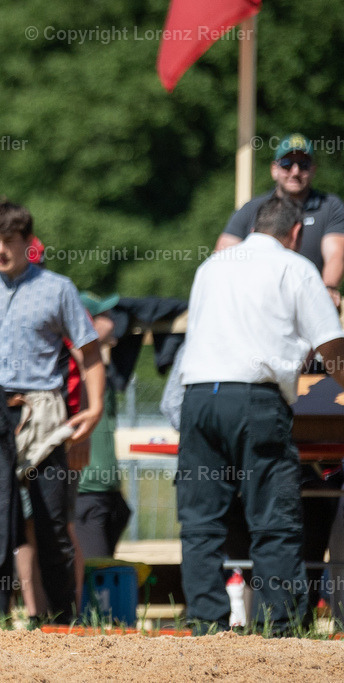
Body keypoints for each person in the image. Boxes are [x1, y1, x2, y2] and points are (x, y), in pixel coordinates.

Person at [178, 195, 344, 635]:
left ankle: (205, 624)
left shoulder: (210, 267)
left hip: (197, 397)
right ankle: (283, 628)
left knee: (201, 521)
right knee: (274, 519)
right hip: (256, 400)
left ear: (252, 227)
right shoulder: (295, 267)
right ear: (295, 234)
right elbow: (331, 347)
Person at [0, 199, 104, 625]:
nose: (2, 250)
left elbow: (88, 350)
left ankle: (64, 621)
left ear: (28, 242)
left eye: (10, 241)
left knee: (52, 524)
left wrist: (95, 406)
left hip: (45, 412)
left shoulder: (58, 288)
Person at [217, 133, 344, 306]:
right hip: (258, 301)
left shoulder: (329, 206)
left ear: (313, 169)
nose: (295, 171)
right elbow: (223, 255)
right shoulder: (254, 208)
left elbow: (336, 253)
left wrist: (327, 289)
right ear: (274, 170)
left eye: (303, 164)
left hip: (308, 301)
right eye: (287, 164)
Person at [73, 293, 131, 560]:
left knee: (103, 565)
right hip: (87, 489)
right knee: (95, 569)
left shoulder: (99, 366)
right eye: (105, 316)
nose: (113, 321)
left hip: (105, 489)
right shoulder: (77, 368)